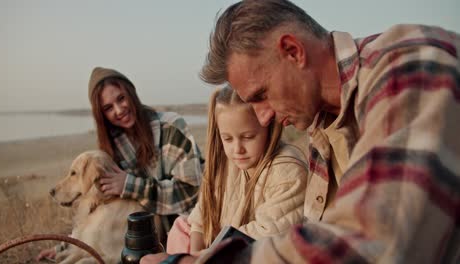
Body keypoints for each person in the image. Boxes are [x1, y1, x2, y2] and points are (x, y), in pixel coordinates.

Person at [143, 0, 460, 263]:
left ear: (293, 51)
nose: (263, 118)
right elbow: (318, 233)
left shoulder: (409, 64)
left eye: (261, 95)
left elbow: (377, 241)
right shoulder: (323, 125)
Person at [37, 67, 204, 261]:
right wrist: (67, 245)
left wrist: (129, 185)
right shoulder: (112, 148)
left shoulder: (171, 126)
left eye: (121, 98)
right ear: (102, 115)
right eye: (108, 108)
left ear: (131, 94)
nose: (119, 110)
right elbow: (99, 211)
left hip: (186, 233)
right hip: (138, 239)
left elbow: (191, 194)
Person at [162, 85, 308, 255]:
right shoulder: (225, 163)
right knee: (181, 226)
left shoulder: (288, 171)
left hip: (253, 253)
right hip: (215, 247)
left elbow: (266, 233)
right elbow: (201, 217)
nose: (237, 149)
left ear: (268, 128)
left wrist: (205, 255)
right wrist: (196, 253)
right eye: (228, 139)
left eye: (248, 137)